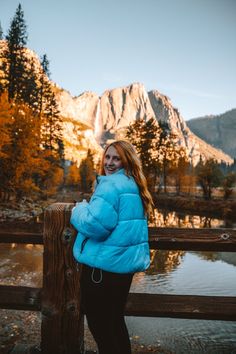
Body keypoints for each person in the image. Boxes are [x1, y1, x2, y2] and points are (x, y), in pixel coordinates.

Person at [70, 140, 153, 354]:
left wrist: (79, 209)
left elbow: (94, 225)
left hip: (103, 269)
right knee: (115, 322)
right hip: (123, 269)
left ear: (126, 161)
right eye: (107, 157)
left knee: (100, 327)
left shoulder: (110, 185)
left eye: (116, 158)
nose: (109, 162)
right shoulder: (134, 183)